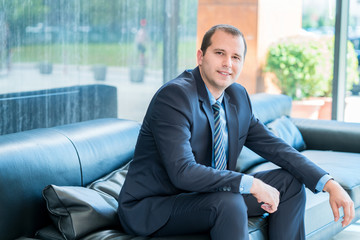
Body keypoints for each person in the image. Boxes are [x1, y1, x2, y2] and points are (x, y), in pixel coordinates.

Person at [117, 24, 354, 240]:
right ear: (201, 57)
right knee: (229, 202)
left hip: (206, 196)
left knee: (288, 182)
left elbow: (276, 148)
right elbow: (183, 172)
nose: (227, 63)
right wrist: (249, 183)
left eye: (235, 57)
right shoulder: (175, 97)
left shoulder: (237, 96)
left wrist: (329, 184)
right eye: (219, 53)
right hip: (155, 207)